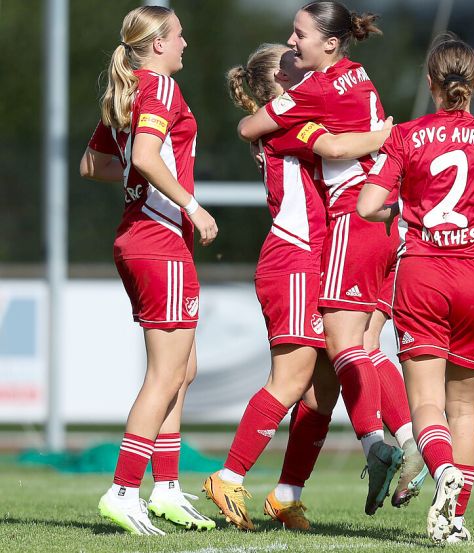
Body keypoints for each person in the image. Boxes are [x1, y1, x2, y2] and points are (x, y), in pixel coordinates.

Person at [358, 34, 474, 545]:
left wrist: (405, 211)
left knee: (426, 403)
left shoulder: (405, 136)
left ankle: (440, 469)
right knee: (465, 409)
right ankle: (455, 516)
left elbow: (367, 206)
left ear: (430, 83)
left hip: (423, 273)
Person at [231, 0, 418, 518]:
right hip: (346, 235)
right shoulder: (354, 78)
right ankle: (397, 443)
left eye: (299, 37)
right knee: (326, 372)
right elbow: (332, 143)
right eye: (289, 44)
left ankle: (379, 446)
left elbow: (317, 141)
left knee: (331, 365)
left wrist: (378, 140)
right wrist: (386, 136)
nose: (293, 44)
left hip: (346, 227)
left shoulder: (311, 95)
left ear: (328, 44)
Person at [202, 44, 393, 531]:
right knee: (291, 380)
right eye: (293, 64)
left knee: (320, 393)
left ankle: (287, 495)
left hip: (318, 261)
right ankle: (227, 476)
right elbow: (336, 148)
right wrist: (389, 135)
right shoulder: (288, 123)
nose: (306, 68)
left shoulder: (300, 113)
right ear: (281, 85)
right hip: (294, 262)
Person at [79, 5, 218, 535]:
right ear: (158, 43)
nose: (186, 42)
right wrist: (190, 203)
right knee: (165, 375)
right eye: (179, 35)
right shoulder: (158, 88)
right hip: (160, 241)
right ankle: (122, 489)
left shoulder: (128, 87)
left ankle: (164, 489)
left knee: (183, 369)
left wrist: (145, 177)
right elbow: (144, 155)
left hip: (137, 238)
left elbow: (94, 165)